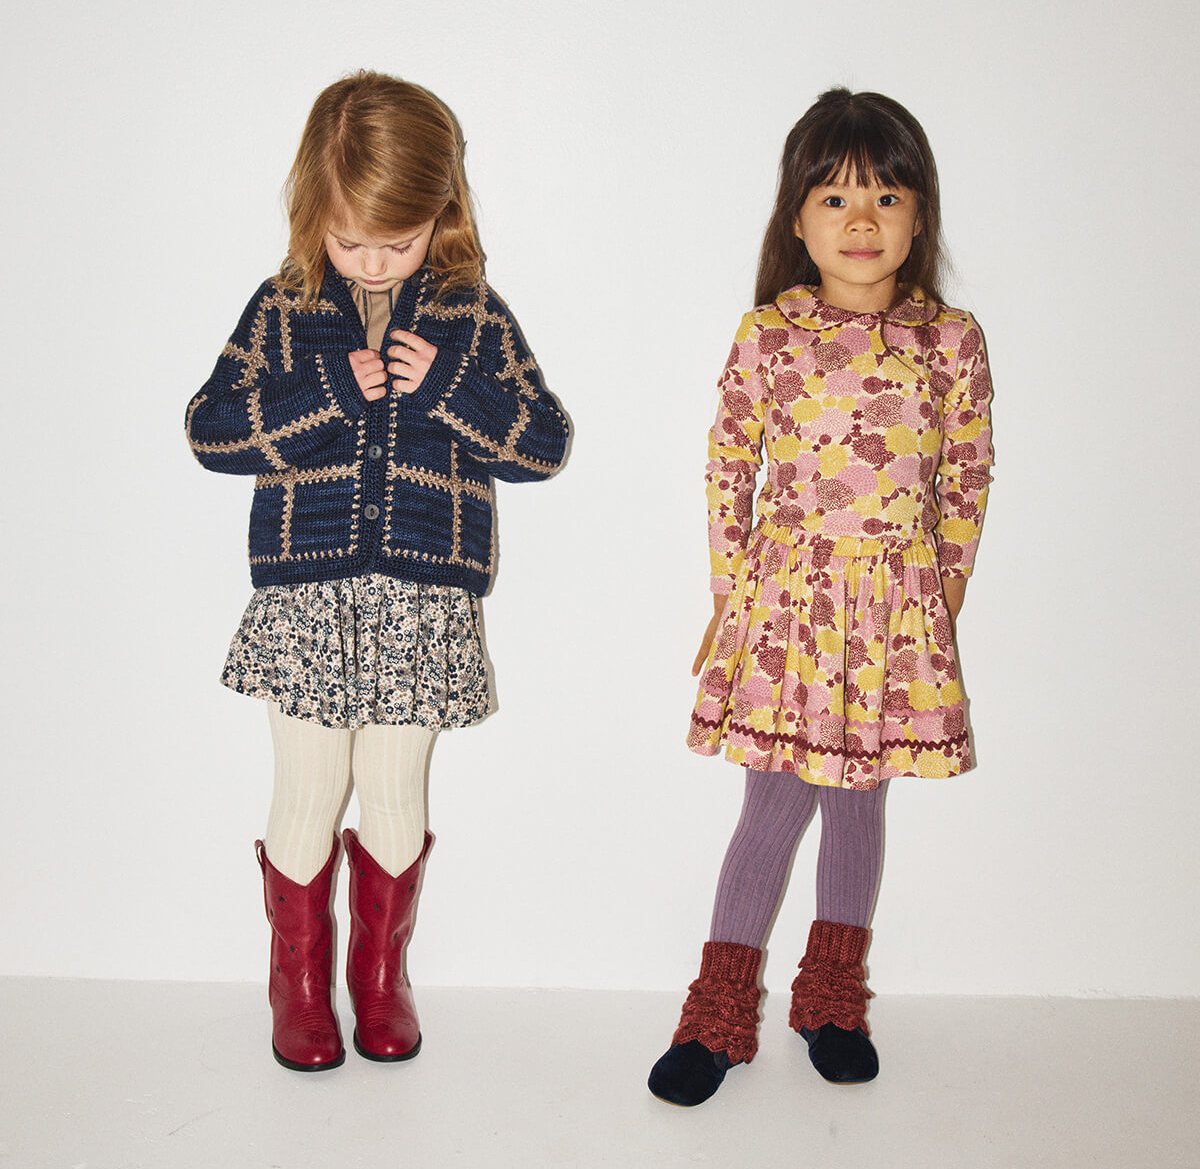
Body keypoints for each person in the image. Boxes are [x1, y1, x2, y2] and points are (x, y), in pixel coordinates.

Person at [186, 71, 567, 1072]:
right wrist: (325, 392)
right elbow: (211, 431)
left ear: (441, 212)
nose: (370, 261)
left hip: (422, 600)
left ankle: (379, 977)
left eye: (396, 242)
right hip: (306, 596)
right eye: (350, 239)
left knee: (396, 784)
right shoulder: (284, 307)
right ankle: (298, 984)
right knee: (310, 786)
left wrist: (449, 388)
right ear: (314, 211)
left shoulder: (472, 316)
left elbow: (543, 445)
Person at [647, 88, 993, 1106]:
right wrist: (729, 594)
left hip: (894, 614)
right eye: (835, 197)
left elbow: (968, 474)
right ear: (796, 220)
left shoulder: (950, 341)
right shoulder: (770, 334)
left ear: (919, 216)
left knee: (857, 803)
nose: (861, 219)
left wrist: (944, 596)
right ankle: (716, 1015)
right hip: (788, 611)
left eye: (887, 196)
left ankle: (832, 1001)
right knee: (773, 805)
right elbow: (729, 463)